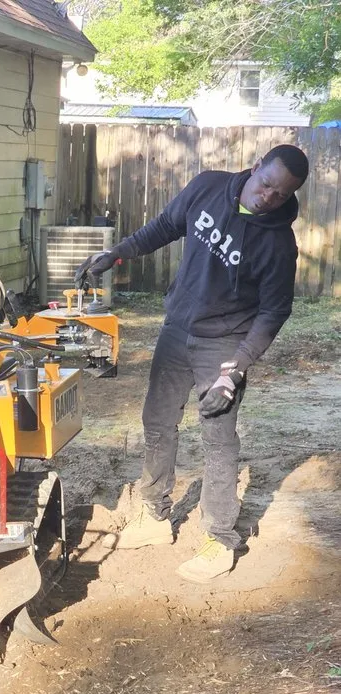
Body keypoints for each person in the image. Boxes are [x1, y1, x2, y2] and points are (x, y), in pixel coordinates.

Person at [75, 144, 309, 582]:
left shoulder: (278, 244)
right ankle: (154, 516)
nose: (268, 198)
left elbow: (274, 312)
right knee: (158, 421)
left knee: (218, 439)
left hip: (223, 347)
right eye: (266, 185)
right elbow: (165, 226)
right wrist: (117, 253)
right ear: (255, 167)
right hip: (176, 328)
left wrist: (236, 368)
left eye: (281, 194)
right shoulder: (208, 187)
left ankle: (219, 540)